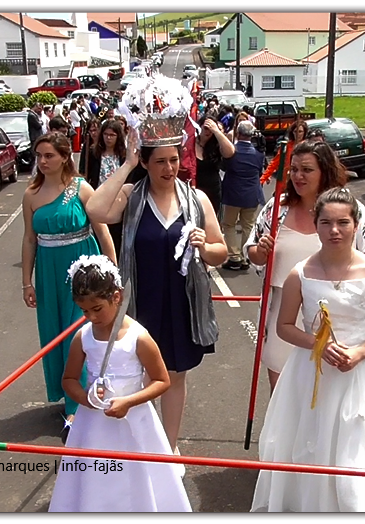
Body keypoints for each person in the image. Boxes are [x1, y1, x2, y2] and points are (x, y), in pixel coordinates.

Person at [86, 75, 228, 456]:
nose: (169, 168)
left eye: (174, 159)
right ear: (147, 163)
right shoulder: (131, 196)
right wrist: (129, 161)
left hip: (181, 303)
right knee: (140, 376)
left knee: (174, 376)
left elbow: (222, 252)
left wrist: (205, 246)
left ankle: (169, 448)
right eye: (160, 161)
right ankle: (140, 447)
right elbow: (95, 209)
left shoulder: (197, 199)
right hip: (141, 301)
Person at [251, 187, 365, 512]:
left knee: (356, 448)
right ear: (316, 225)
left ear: (356, 225)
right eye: (325, 223)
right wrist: (317, 345)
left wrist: (361, 351)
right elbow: (284, 327)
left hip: (359, 373)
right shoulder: (300, 273)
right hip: (311, 372)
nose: (334, 230)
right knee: (310, 443)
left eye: (343, 222)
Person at [48, 255, 191, 512]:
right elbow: (68, 379)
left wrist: (129, 401)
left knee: (138, 475)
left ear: (117, 296)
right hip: (92, 423)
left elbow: (162, 380)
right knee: (94, 475)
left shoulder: (138, 337)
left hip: (135, 420)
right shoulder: (83, 337)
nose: (91, 317)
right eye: (84, 311)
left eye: (97, 309)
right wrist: (86, 398)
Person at [245, 141, 365, 393]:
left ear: (324, 171)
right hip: (284, 316)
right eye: (294, 169)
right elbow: (252, 253)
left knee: (328, 398)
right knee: (284, 397)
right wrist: (261, 251)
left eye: (307, 170)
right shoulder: (276, 209)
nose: (298, 176)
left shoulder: (352, 210)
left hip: (335, 318)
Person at [21, 133, 116, 443]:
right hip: (48, 271)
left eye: (49, 155)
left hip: (81, 269)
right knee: (55, 332)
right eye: (39, 156)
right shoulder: (31, 194)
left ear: (64, 156)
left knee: (79, 332)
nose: (42, 161)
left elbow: (102, 232)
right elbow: (29, 239)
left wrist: (112, 272)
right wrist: (27, 281)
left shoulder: (81, 188)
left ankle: (82, 403)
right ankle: (68, 396)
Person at [221, 120, 265, 271]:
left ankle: (234, 256)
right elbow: (260, 170)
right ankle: (246, 256)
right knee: (248, 226)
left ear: (238, 133)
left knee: (229, 224)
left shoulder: (232, 151)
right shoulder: (258, 153)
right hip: (252, 193)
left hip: (233, 193)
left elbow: (224, 166)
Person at [88, 119, 128, 259]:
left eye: (112, 135)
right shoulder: (93, 152)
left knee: (116, 239)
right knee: (99, 238)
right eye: (105, 134)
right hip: (99, 202)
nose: (108, 138)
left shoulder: (124, 155)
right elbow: (85, 174)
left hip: (118, 204)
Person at [194, 115, 235, 216]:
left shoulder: (216, 145)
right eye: (206, 128)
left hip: (212, 192)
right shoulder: (191, 142)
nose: (208, 132)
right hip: (195, 189)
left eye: (210, 130)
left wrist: (217, 131)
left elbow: (230, 152)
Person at [259, 120, 308, 185]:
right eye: (295, 131)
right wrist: (262, 179)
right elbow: (274, 163)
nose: (297, 134)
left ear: (304, 133)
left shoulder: (308, 146)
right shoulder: (286, 146)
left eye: (300, 131)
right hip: (287, 181)